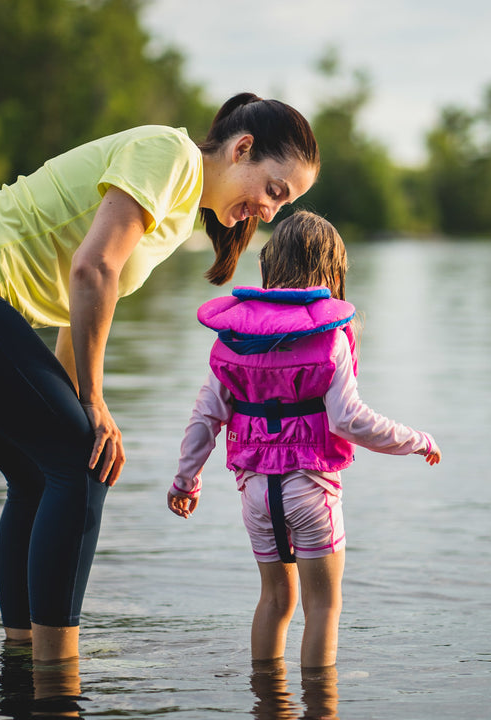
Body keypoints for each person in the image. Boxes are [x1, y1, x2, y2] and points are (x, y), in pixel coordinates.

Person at [0, 92, 319, 662]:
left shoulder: (181, 212)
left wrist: (71, 402)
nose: (270, 211)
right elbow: (93, 268)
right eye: (274, 191)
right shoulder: (171, 156)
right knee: (84, 459)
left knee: (43, 469)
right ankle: (59, 676)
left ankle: (24, 661)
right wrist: (93, 403)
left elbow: (74, 305)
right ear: (243, 149)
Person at [167, 211, 441, 669]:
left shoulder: (234, 338)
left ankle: (266, 700)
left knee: (274, 601)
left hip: (255, 490)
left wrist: (185, 481)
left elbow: (206, 416)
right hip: (311, 488)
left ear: (269, 267)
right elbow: (350, 421)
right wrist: (416, 440)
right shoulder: (331, 336)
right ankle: (320, 702)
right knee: (323, 608)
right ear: (332, 273)